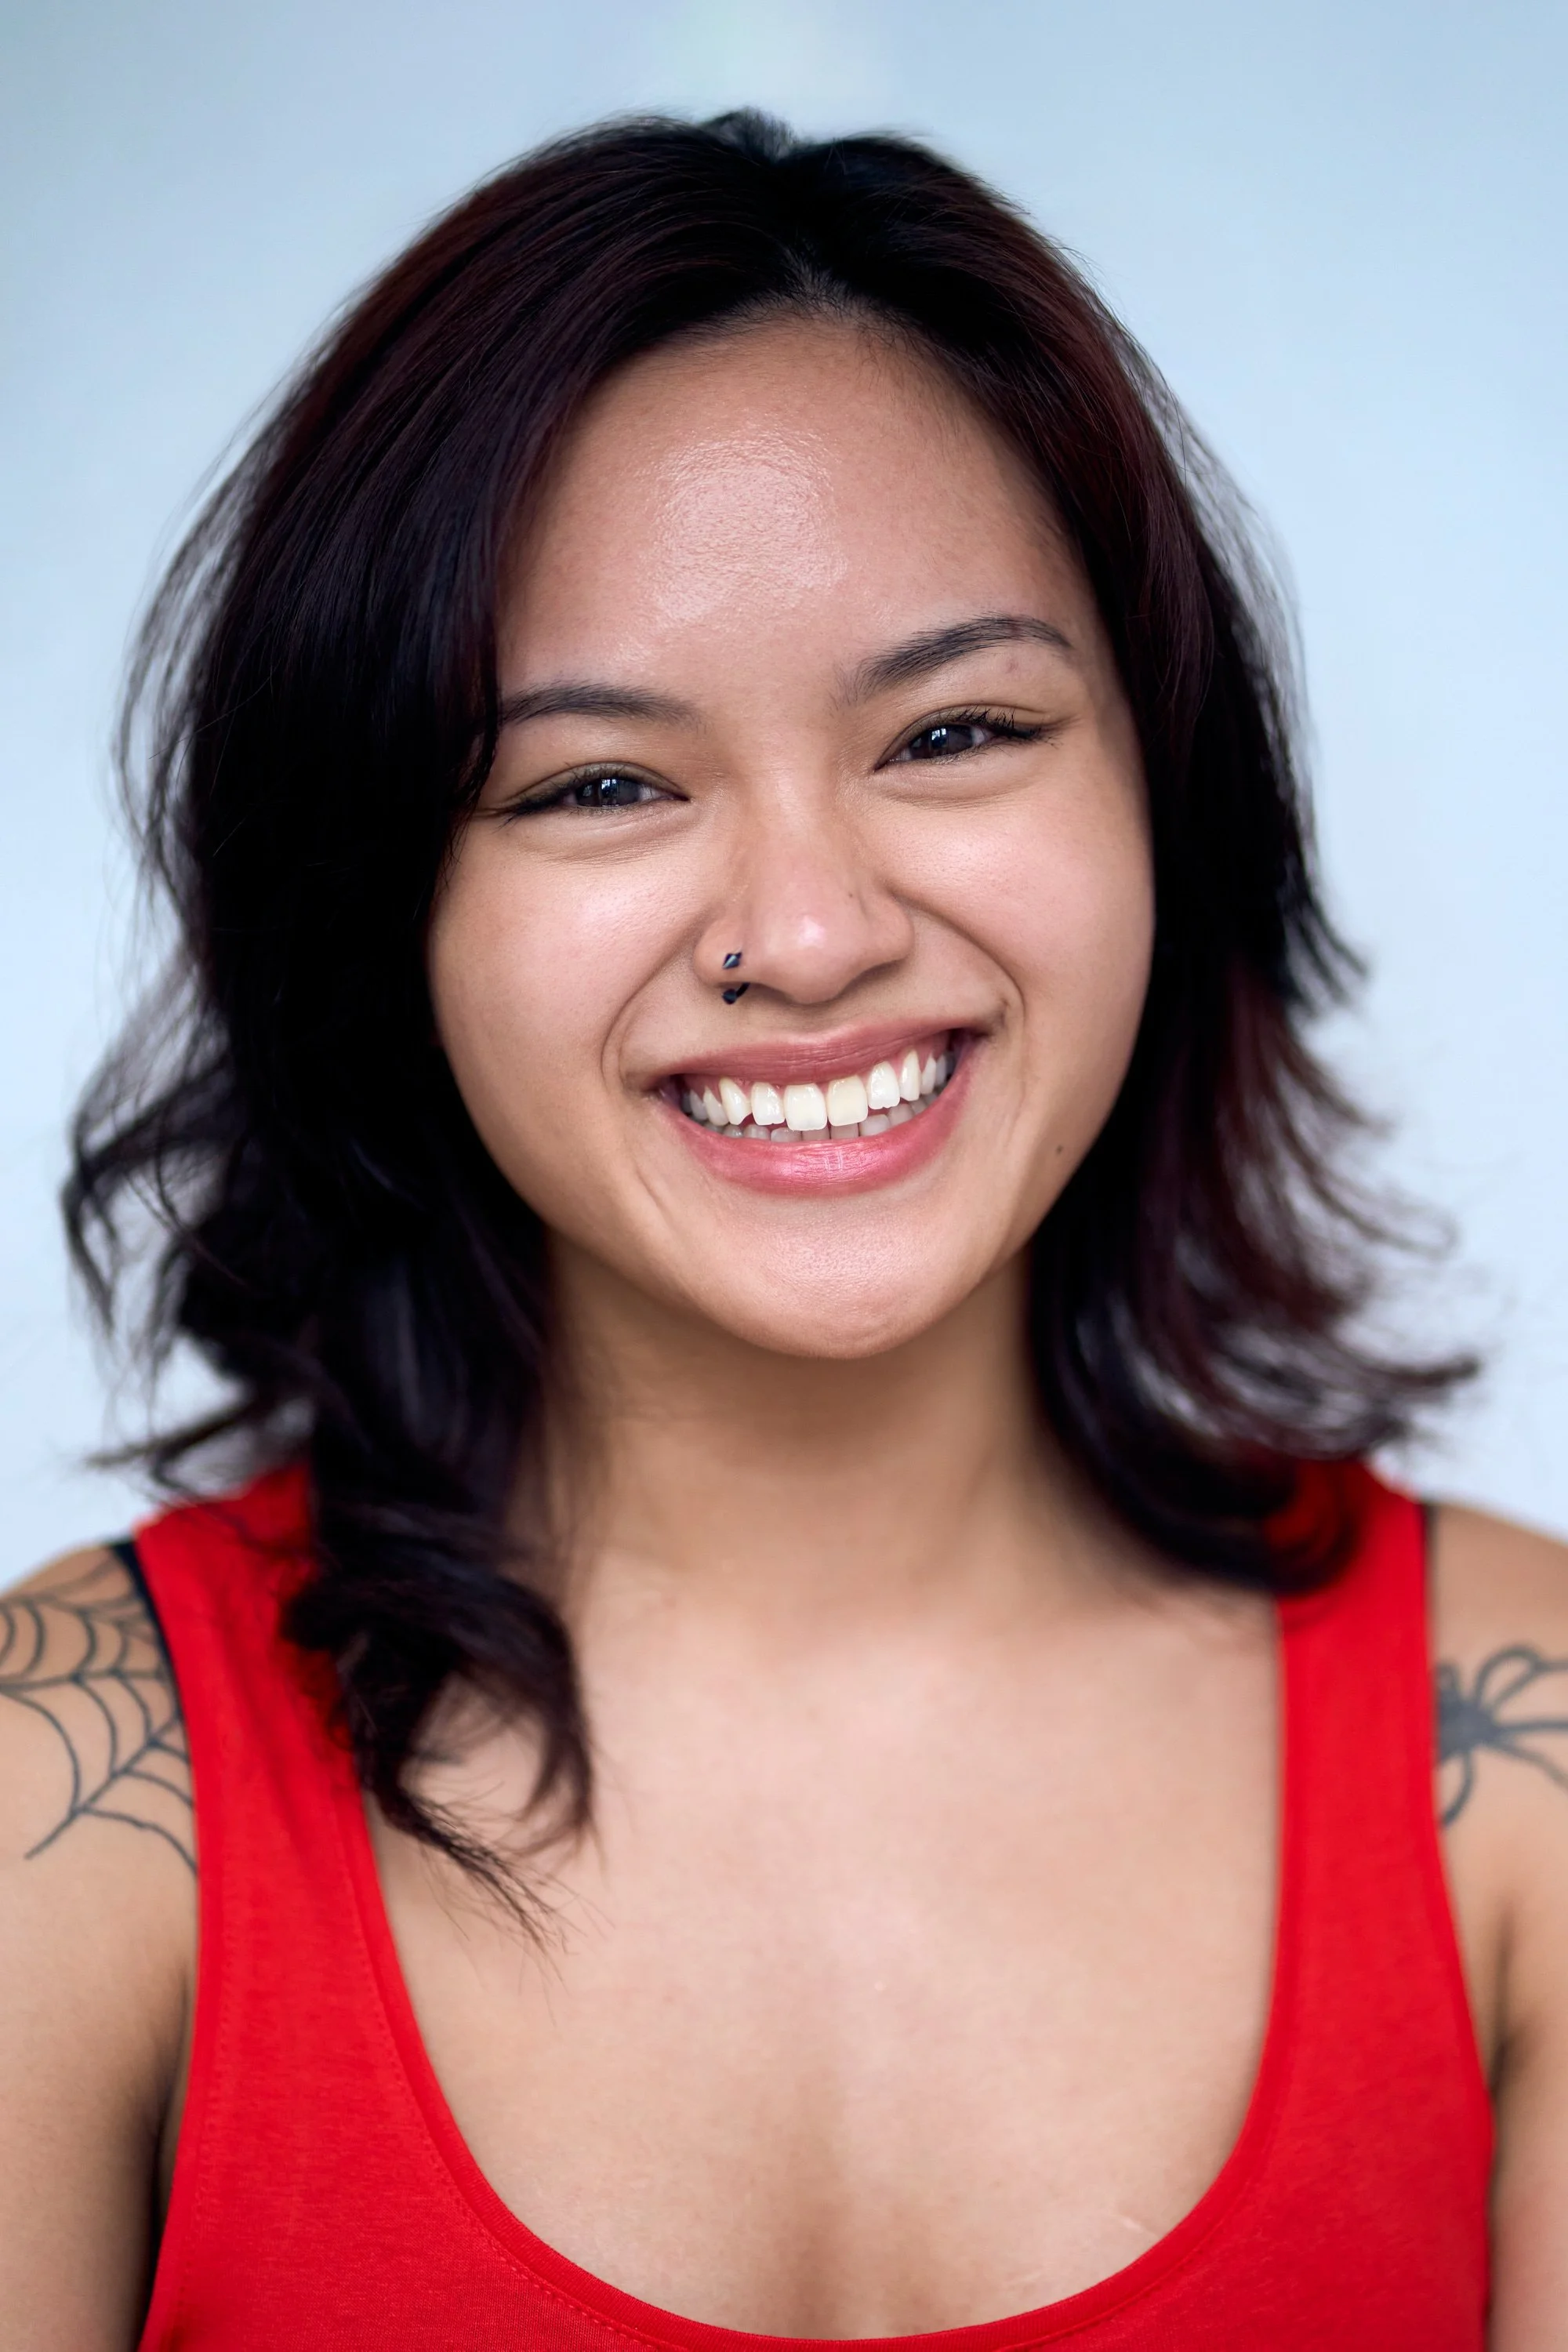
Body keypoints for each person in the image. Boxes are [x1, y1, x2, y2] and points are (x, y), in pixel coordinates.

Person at [1, 108, 1563, 2350]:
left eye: (955, 730)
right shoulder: (65, 1813)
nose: (813, 933)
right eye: (601, 783)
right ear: (384, 907)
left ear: (1168, 798)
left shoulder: (1518, 1772)